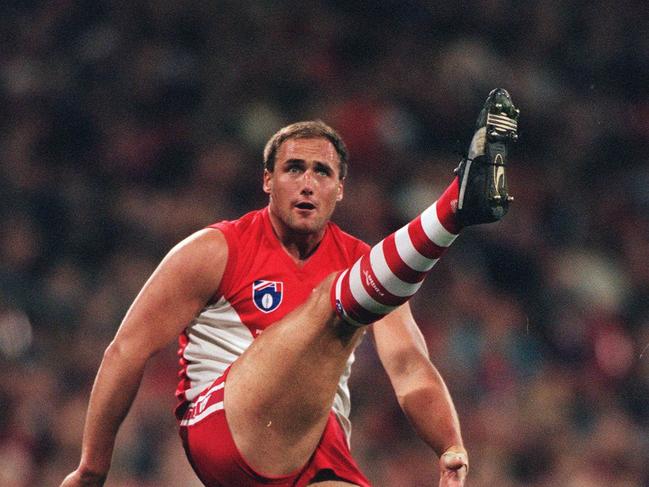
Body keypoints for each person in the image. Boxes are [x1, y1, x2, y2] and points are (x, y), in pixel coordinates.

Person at [61, 88, 519, 487]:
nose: (306, 183)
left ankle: (456, 206)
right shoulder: (214, 249)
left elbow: (410, 369)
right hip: (227, 430)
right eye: (293, 169)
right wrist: (92, 469)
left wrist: (450, 449)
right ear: (267, 182)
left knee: (344, 299)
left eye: (321, 172)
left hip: (317, 451)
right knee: (331, 302)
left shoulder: (369, 269)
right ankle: (453, 208)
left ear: (341, 189)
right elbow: (125, 351)